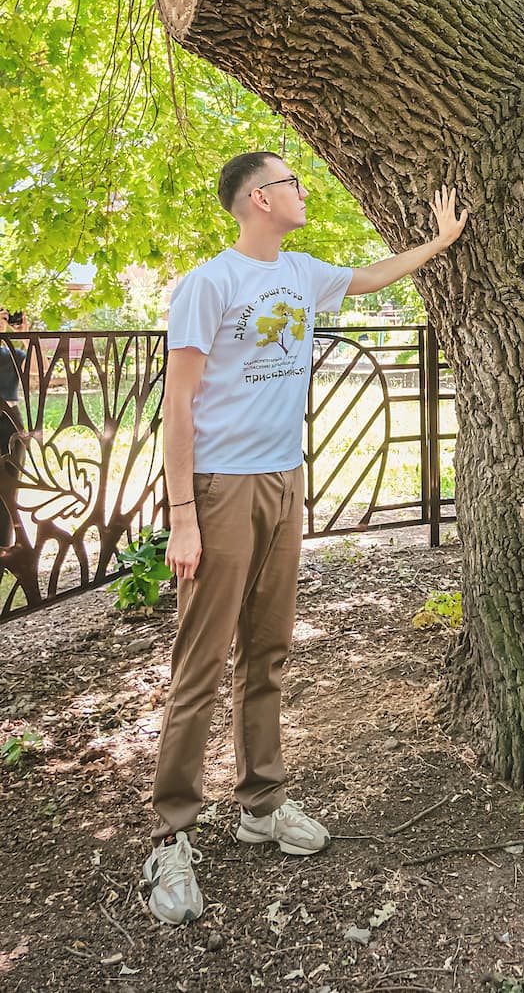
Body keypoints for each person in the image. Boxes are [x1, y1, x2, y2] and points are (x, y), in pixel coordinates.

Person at [143, 152, 467, 925]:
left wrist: (440, 242)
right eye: (291, 182)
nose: (303, 190)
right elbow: (177, 406)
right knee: (201, 664)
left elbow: (371, 276)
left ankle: (262, 803)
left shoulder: (302, 271)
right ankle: (171, 835)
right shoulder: (209, 285)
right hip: (220, 488)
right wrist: (182, 514)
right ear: (260, 199)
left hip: (284, 479)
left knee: (268, 652)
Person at [0, 308, 27, 554]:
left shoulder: (12, 353)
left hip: (10, 424)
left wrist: (24, 336)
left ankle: (4, 551)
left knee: (8, 491)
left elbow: (40, 369)